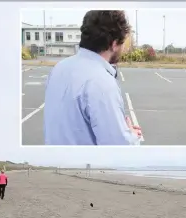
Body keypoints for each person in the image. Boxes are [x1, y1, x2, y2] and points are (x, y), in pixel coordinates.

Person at [43, 10, 142, 145]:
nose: (123, 48)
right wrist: (132, 136)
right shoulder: (101, 82)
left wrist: (122, 131)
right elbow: (116, 147)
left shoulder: (59, 68)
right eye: (122, 43)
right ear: (114, 44)